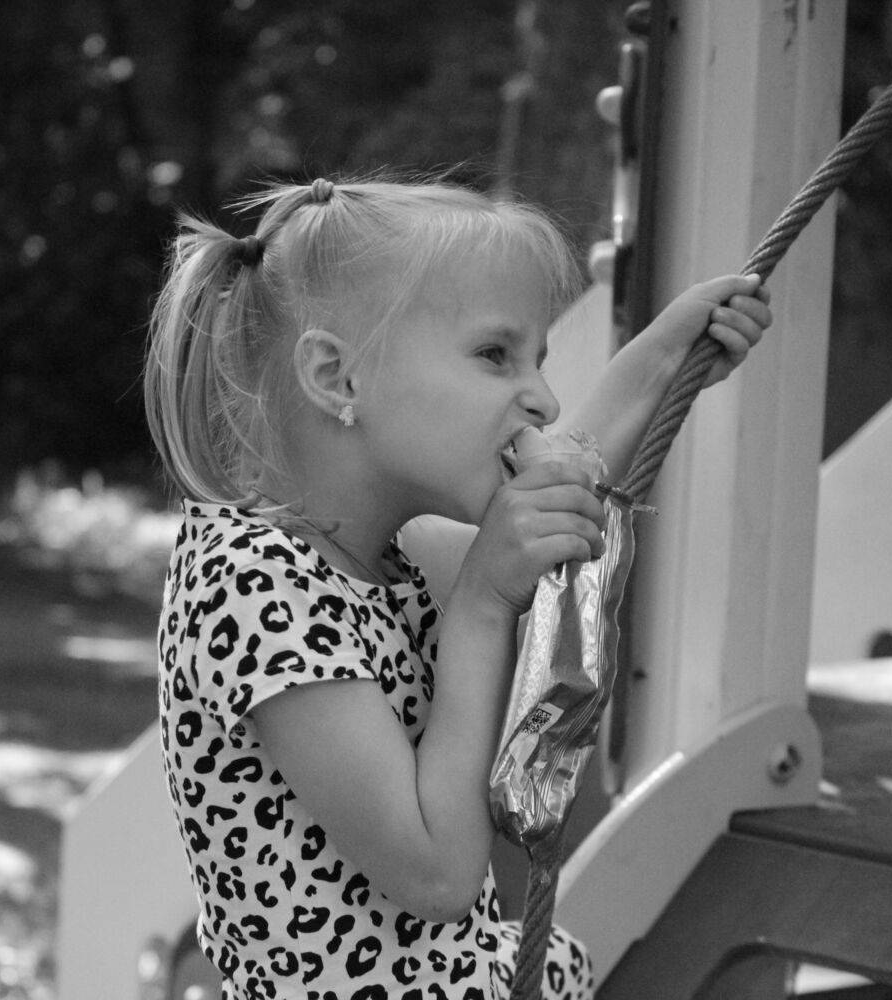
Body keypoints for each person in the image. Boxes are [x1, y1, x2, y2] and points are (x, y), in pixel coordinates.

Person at [143, 174, 772, 999]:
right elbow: (436, 875)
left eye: (538, 361)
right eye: (494, 356)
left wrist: (662, 358)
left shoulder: (379, 560)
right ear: (338, 378)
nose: (543, 399)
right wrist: (481, 603)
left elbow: (554, 492)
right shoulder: (250, 585)